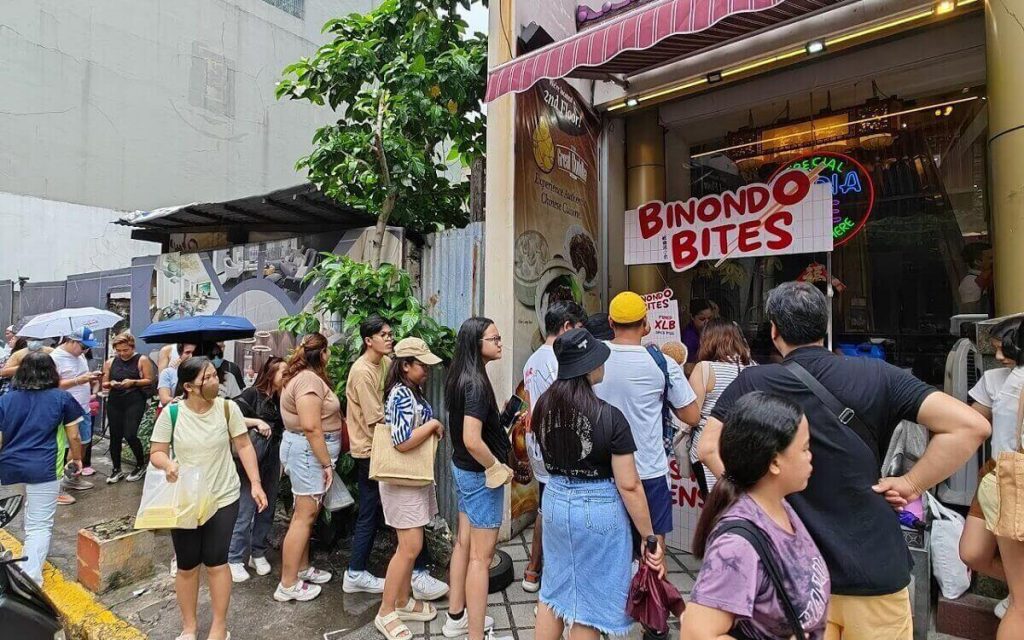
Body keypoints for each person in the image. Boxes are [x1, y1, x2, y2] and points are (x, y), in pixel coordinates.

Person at [697, 281, 990, 640]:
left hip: (792, 576)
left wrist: (759, 497)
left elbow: (708, 447)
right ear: (826, 327)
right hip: (871, 568)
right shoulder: (876, 375)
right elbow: (971, 426)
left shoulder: (754, 381)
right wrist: (911, 483)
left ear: (774, 331)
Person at [533, 328, 665, 640]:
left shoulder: (543, 408)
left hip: (553, 503)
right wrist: (649, 537)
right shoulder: (610, 417)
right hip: (598, 511)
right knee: (589, 609)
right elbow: (629, 485)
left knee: (552, 594)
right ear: (589, 367)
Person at [683, 392, 829, 639]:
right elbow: (696, 634)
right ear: (774, 462)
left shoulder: (779, 505)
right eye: (804, 448)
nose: (810, 456)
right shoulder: (737, 546)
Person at [149, 356, 267, 640]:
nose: (217, 381)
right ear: (189, 386)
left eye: (216, 375)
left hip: (223, 496)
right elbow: (156, 452)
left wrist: (256, 483)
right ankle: (189, 627)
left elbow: (243, 446)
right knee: (188, 565)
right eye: (209, 378)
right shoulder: (172, 414)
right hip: (186, 498)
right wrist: (168, 464)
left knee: (217, 563)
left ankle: (219, 626)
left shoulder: (228, 409)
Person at [344, 317, 449, 600]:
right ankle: (383, 587)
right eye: (383, 334)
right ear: (368, 340)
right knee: (392, 531)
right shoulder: (366, 373)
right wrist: (429, 426)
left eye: (391, 334)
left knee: (407, 539)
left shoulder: (389, 370)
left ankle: (406, 589)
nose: (389, 339)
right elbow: (387, 428)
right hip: (376, 454)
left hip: (399, 464)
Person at [594, 291, 699, 546]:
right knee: (652, 546)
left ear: (610, 322)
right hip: (648, 470)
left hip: (600, 470)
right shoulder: (662, 362)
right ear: (646, 324)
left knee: (607, 547)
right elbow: (692, 415)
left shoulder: (594, 359)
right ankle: (649, 584)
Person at [444, 317, 511, 640]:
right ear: (476, 344)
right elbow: (472, 438)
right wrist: (495, 467)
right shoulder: (476, 384)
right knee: (481, 559)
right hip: (478, 475)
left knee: (463, 543)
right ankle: (475, 634)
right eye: (494, 339)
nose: (500, 343)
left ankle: (456, 615)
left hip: (463, 469)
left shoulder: (461, 376)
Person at [375, 338, 446, 640]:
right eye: (422, 365)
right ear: (405, 365)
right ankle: (385, 611)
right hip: (401, 481)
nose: (427, 370)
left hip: (410, 480)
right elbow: (401, 441)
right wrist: (431, 426)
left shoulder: (409, 391)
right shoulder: (402, 394)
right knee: (409, 548)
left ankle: (402, 602)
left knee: (408, 546)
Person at [0, 351, 85, 585]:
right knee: (39, 524)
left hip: (10, 467)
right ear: (52, 372)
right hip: (44, 467)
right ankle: (32, 577)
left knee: (18, 513)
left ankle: (18, 561)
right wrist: (76, 459)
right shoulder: (62, 398)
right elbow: (74, 436)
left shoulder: (6, 399)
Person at [960, 317, 1024, 621]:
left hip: (1018, 478)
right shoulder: (996, 379)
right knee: (971, 553)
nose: (998, 357)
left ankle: (1019, 597)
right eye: (995, 350)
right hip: (995, 472)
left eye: (1004, 349)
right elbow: (972, 422)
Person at [520, 301, 586, 594]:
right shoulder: (559, 361)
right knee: (558, 510)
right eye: (579, 330)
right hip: (558, 446)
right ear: (567, 327)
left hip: (539, 446)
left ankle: (533, 570)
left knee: (545, 508)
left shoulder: (532, 360)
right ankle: (553, 576)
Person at [275, 333, 343, 602]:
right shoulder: (308, 380)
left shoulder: (307, 377)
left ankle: (301, 569)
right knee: (304, 516)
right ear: (323, 353)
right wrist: (326, 463)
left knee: (306, 514)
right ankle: (288, 584)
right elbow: (311, 426)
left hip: (307, 451)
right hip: (308, 452)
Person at [228, 357, 286, 583]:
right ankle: (234, 557)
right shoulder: (252, 393)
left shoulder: (282, 400)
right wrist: (255, 422)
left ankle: (258, 552)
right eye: (283, 372)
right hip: (248, 458)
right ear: (270, 374)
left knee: (268, 506)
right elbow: (231, 416)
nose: (287, 377)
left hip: (272, 458)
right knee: (246, 506)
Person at [687, 319, 755, 498]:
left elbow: (693, 415)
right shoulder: (754, 368)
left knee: (714, 505)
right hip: (742, 447)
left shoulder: (705, 368)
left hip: (708, 449)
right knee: (739, 503)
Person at [51, 329, 102, 504]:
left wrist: (91, 379)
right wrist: (79, 380)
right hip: (65, 410)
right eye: (83, 346)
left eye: (88, 347)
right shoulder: (55, 357)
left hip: (84, 407)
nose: (85, 350)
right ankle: (56, 486)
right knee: (63, 447)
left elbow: (82, 377)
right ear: (71, 340)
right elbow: (54, 385)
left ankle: (72, 476)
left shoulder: (80, 356)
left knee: (83, 442)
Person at [103, 333, 155, 484]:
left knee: (130, 434)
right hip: (115, 400)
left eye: (125, 350)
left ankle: (140, 464)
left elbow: (149, 380)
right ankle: (116, 469)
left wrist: (132, 382)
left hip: (134, 399)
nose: (122, 353)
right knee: (115, 436)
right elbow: (104, 382)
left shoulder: (142, 360)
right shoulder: (111, 362)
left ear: (132, 347)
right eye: (118, 350)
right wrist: (111, 383)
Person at [959, 243, 993, 314]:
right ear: (978, 262)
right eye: (990, 258)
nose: (994, 261)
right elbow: (972, 313)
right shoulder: (970, 282)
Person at [682, 298, 715, 366]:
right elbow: (689, 366)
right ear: (692, 317)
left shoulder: (715, 330)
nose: (707, 322)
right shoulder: (689, 338)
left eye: (710, 318)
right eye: (702, 319)